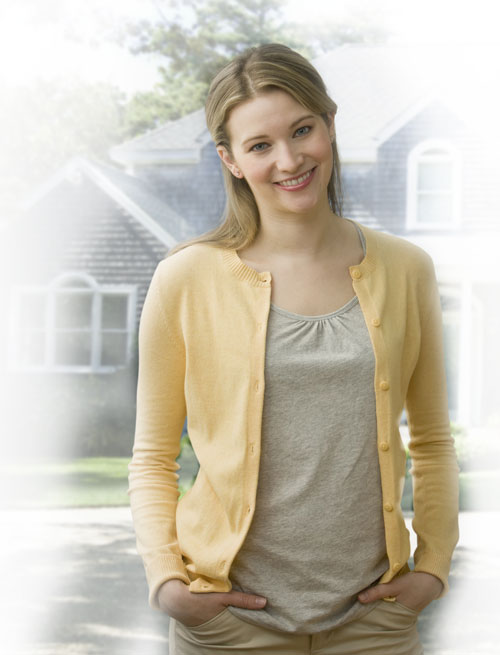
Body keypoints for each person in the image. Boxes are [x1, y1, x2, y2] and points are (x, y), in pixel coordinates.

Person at [127, 43, 459, 654]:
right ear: (230, 160)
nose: (289, 159)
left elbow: (433, 440)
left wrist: (433, 568)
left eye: (302, 130)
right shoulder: (186, 278)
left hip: (375, 624)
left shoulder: (407, 269)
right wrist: (167, 582)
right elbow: (153, 455)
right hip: (228, 628)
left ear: (330, 124)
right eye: (259, 146)